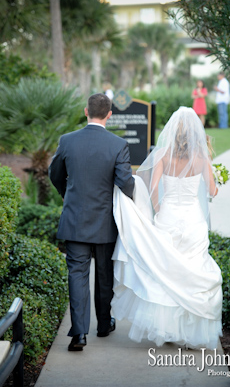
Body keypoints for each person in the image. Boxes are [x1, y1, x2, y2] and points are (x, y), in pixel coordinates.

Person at [111, 107, 222, 349]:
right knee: (191, 272)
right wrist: (218, 179)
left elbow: (151, 187)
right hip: (193, 220)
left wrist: (159, 208)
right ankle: (188, 331)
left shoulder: (162, 155)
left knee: (166, 272)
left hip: (168, 217)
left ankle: (167, 329)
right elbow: (212, 191)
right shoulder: (202, 158)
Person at [49, 93, 135, 352]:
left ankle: (79, 334)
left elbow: (55, 175)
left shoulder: (67, 141)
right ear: (110, 114)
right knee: (104, 275)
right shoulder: (118, 145)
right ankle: (103, 324)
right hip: (106, 222)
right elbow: (126, 183)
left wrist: (68, 193)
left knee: (77, 274)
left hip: (74, 220)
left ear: (86, 111)